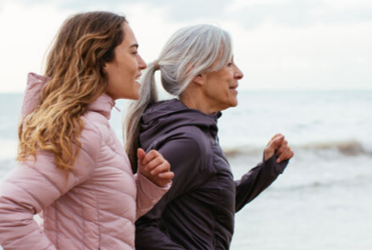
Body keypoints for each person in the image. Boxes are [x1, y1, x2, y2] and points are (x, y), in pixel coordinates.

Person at [0, 11, 174, 250]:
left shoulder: (95, 126)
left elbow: (105, 220)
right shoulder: (82, 131)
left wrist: (147, 184)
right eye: (133, 52)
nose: (143, 64)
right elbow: (3, 211)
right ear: (101, 60)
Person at [125, 24, 295, 249]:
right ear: (197, 74)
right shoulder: (189, 142)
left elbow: (211, 206)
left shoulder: (193, 131)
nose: (239, 73)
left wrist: (266, 170)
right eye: (228, 63)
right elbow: (136, 224)